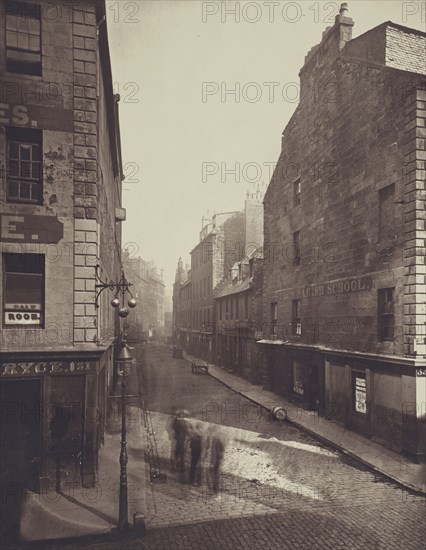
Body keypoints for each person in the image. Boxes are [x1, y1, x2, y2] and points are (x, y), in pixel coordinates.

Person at [209, 426, 225, 494]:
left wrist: (220, 458)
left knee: (214, 474)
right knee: (215, 474)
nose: (211, 433)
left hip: (216, 460)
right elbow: (222, 449)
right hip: (216, 459)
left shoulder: (216, 439)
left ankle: (215, 489)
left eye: (212, 432)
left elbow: (222, 449)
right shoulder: (216, 439)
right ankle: (215, 489)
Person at [189, 421, 204, 486]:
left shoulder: (194, 434)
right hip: (199, 452)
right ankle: (198, 481)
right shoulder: (202, 435)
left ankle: (191, 480)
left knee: (193, 466)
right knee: (199, 467)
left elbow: (191, 444)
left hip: (195, 452)